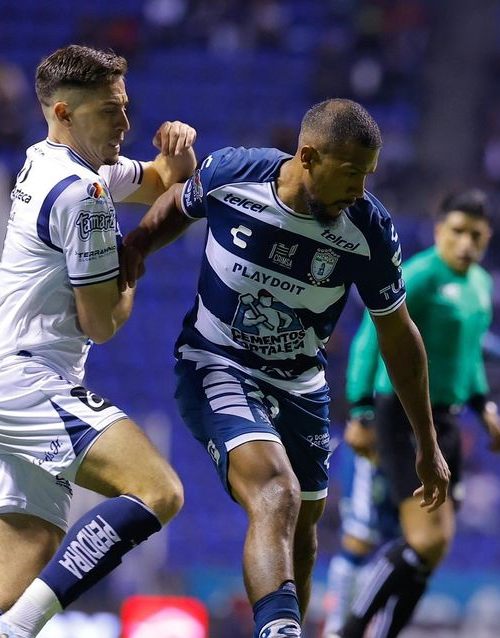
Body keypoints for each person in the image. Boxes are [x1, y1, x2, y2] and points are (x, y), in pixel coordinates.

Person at [0, 44, 196, 638]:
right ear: (63, 112)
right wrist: (131, 265)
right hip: (27, 382)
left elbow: (160, 178)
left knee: (7, 593)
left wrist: (178, 150)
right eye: (110, 112)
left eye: (126, 108)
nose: (125, 124)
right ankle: (18, 632)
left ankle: (9, 623)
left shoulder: (57, 162)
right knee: (159, 490)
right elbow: (101, 324)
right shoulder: (83, 195)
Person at [120, 98, 450, 638]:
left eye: (367, 176)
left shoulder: (368, 229)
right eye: (349, 174)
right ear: (308, 155)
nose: (359, 189)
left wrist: (427, 443)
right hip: (216, 360)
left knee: (304, 533)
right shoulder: (234, 174)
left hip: (301, 383)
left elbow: (400, 338)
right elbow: (179, 204)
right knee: (278, 491)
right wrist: (135, 247)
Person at [337, 189, 500, 638]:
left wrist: (485, 407)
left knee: (435, 551)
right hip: (401, 416)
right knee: (424, 539)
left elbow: (468, 355)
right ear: (440, 231)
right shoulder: (416, 276)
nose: (466, 243)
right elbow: (367, 340)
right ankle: (350, 629)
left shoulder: (481, 285)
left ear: (487, 238)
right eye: (457, 232)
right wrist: (360, 412)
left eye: (475, 235)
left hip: (449, 421)